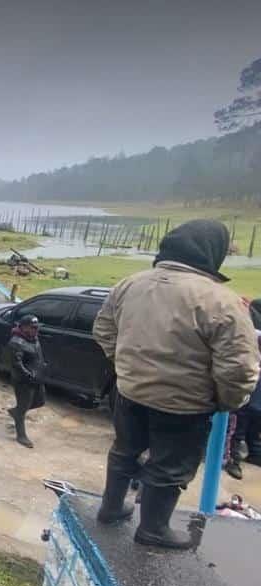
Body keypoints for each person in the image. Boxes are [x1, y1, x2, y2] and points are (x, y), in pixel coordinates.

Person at [93, 219, 259, 549]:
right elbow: (239, 368)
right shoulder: (221, 302)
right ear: (213, 254)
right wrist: (226, 400)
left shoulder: (130, 284)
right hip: (184, 406)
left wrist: (129, 368)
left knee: (124, 451)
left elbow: (103, 331)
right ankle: (153, 529)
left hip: (130, 393)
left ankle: (110, 509)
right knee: (169, 467)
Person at [225, 327, 261, 480]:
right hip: (248, 398)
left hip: (252, 400)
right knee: (240, 430)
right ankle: (238, 458)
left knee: (243, 431)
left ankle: (243, 457)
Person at [8, 314, 46, 448]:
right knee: (23, 407)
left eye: (37, 327)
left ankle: (16, 412)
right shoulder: (16, 342)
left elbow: (37, 355)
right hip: (23, 381)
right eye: (33, 328)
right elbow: (17, 364)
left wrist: (42, 367)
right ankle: (21, 435)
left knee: (40, 401)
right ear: (23, 328)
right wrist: (28, 375)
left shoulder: (33, 338)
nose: (36, 330)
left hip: (37, 377)